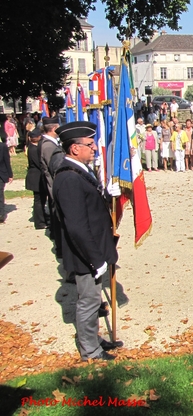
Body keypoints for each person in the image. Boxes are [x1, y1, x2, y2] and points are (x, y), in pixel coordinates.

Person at [52, 121, 122, 361]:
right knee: (89, 301)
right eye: (90, 145)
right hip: (86, 253)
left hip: (95, 248)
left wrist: (106, 194)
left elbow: (89, 205)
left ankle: (94, 339)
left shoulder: (80, 170)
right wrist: (95, 259)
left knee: (93, 300)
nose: (94, 149)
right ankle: (90, 350)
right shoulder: (69, 177)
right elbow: (76, 225)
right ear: (74, 148)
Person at [39, 117, 64, 256]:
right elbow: (54, 169)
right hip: (54, 187)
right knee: (58, 219)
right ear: (54, 128)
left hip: (53, 186)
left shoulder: (49, 143)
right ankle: (60, 248)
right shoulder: (49, 146)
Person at [25, 129, 47, 228]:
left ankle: (42, 217)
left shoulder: (33, 147)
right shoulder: (33, 149)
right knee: (38, 200)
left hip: (36, 176)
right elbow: (38, 163)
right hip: (36, 177)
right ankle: (40, 222)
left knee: (41, 199)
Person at [0, 138, 13, 224]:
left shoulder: (3, 146)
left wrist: (10, 174)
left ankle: (1, 214)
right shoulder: (3, 146)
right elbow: (6, 160)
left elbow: (6, 160)